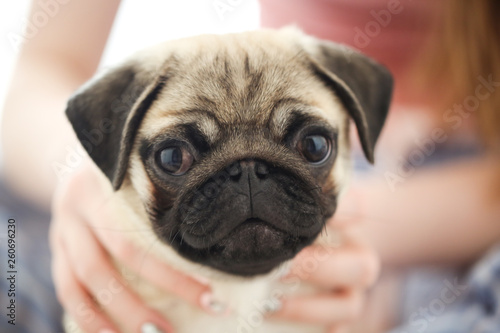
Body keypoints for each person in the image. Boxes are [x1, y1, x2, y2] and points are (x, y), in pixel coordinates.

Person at [1, 1, 499, 333]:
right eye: (177, 158)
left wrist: (362, 234)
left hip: (460, 203)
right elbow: (42, 71)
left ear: (354, 127)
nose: (247, 182)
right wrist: (70, 171)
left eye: (309, 146)